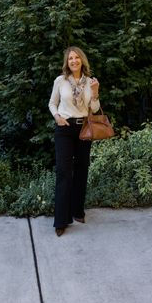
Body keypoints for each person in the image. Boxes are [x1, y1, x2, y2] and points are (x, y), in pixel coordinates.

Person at [48, 46, 100, 237]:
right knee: (63, 172)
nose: (74, 61)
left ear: (82, 60)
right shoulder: (60, 81)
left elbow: (94, 109)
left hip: (83, 129)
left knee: (81, 170)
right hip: (64, 129)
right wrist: (57, 117)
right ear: (67, 62)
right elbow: (52, 103)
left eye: (77, 57)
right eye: (70, 58)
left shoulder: (89, 82)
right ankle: (61, 220)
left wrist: (95, 92)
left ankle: (78, 211)